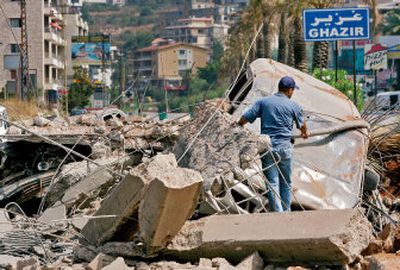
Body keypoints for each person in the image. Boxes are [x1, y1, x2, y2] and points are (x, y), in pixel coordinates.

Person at [238, 76, 308, 212]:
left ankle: (278, 213)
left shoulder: (263, 102)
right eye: (292, 90)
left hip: (267, 147)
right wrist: (305, 133)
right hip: (284, 147)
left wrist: (239, 125)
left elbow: (245, 117)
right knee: (286, 182)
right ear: (289, 90)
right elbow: (302, 126)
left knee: (272, 182)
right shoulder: (294, 106)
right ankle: (286, 212)